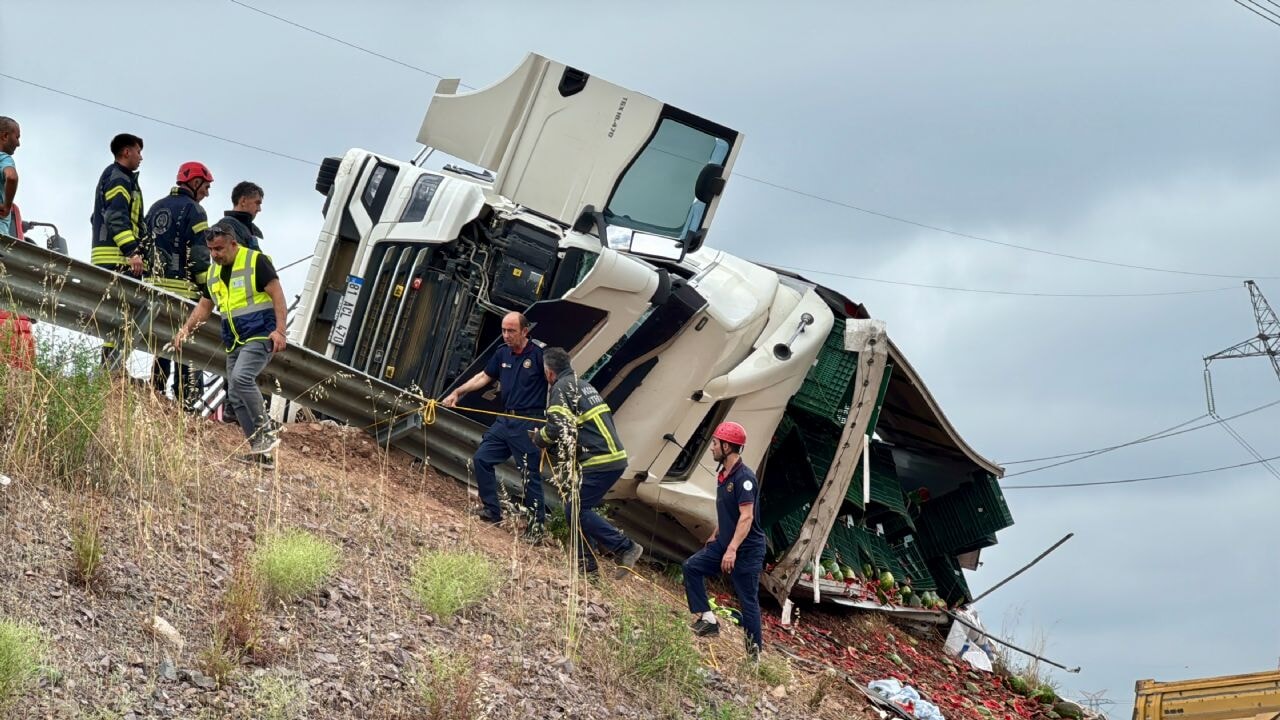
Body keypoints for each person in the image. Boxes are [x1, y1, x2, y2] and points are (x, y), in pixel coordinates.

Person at [172, 223, 287, 461]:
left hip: (260, 335)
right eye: (211, 249)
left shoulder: (255, 261)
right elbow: (205, 306)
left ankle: (266, 431)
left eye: (220, 249)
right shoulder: (214, 273)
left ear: (233, 244)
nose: (215, 254)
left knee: (241, 378)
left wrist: (280, 331)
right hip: (234, 340)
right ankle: (261, 453)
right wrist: (185, 329)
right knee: (234, 395)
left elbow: (277, 294)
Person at [531, 347, 643, 576]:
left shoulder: (560, 388)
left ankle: (626, 547)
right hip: (611, 457)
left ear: (549, 372)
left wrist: (539, 438)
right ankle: (587, 565)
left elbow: (555, 428)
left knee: (576, 509)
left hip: (600, 460)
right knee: (578, 508)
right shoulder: (583, 385)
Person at [442, 311, 547, 535]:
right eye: (504, 330)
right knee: (482, 459)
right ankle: (492, 510)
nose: (506, 335)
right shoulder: (502, 354)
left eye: (511, 331)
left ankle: (536, 528)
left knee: (529, 475)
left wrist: (549, 420)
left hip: (528, 421)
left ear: (525, 331)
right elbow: (484, 377)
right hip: (505, 419)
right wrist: (457, 393)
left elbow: (556, 382)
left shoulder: (539, 354)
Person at [682, 421, 767, 659]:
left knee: (747, 601)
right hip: (726, 543)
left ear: (727, 447)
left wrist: (731, 550)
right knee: (691, 567)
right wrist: (716, 533)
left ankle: (754, 656)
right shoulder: (723, 475)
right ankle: (708, 619)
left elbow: (747, 516)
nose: (712, 448)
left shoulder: (744, 478)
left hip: (746, 550)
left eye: (715, 443)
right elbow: (730, 512)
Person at [146, 162, 214, 410]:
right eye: (205, 187)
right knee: (184, 345)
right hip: (182, 291)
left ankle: (156, 394)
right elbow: (198, 255)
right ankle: (186, 402)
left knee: (161, 344)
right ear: (195, 183)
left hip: (153, 287)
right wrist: (209, 288)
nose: (207, 192)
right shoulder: (195, 211)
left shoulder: (155, 207)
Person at [91, 133, 147, 367]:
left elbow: (98, 216)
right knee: (121, 314)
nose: (141, 157)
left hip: (112, 256)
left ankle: (111, 366)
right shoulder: (119, 178)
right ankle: (111, 366)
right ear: (126, 152)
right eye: (138, 151)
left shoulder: (116, 177)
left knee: (118, 315)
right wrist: (132, 251)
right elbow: (115, 217)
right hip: (117, 258)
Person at [220, 181, 264, 252]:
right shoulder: (226, 226)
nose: (259, 209)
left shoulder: (245, 228)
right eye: (257, 203)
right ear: (243, 201)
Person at [0, 117, 20, 238]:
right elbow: (12, 177)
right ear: (5, 136)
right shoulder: (3, 158)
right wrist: (7, 207)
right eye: (17, 137)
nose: (18, 143)